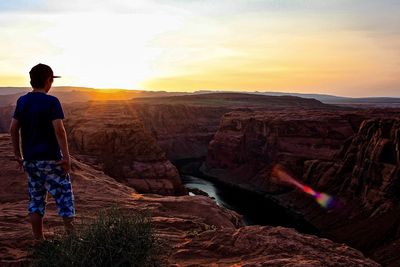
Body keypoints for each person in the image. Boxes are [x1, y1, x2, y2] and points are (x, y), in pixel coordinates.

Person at [9, 63, 75, 241]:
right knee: (64, 199)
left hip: (31, 161)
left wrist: (18, 155)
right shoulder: (52, 102)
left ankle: (39, 241)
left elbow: (13, 129)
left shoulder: (22, 101)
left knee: (36, 201)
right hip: (52, 160)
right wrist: (66, 158)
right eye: (51, 80)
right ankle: (72, 240)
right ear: (48, 80)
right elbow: (59, 131)